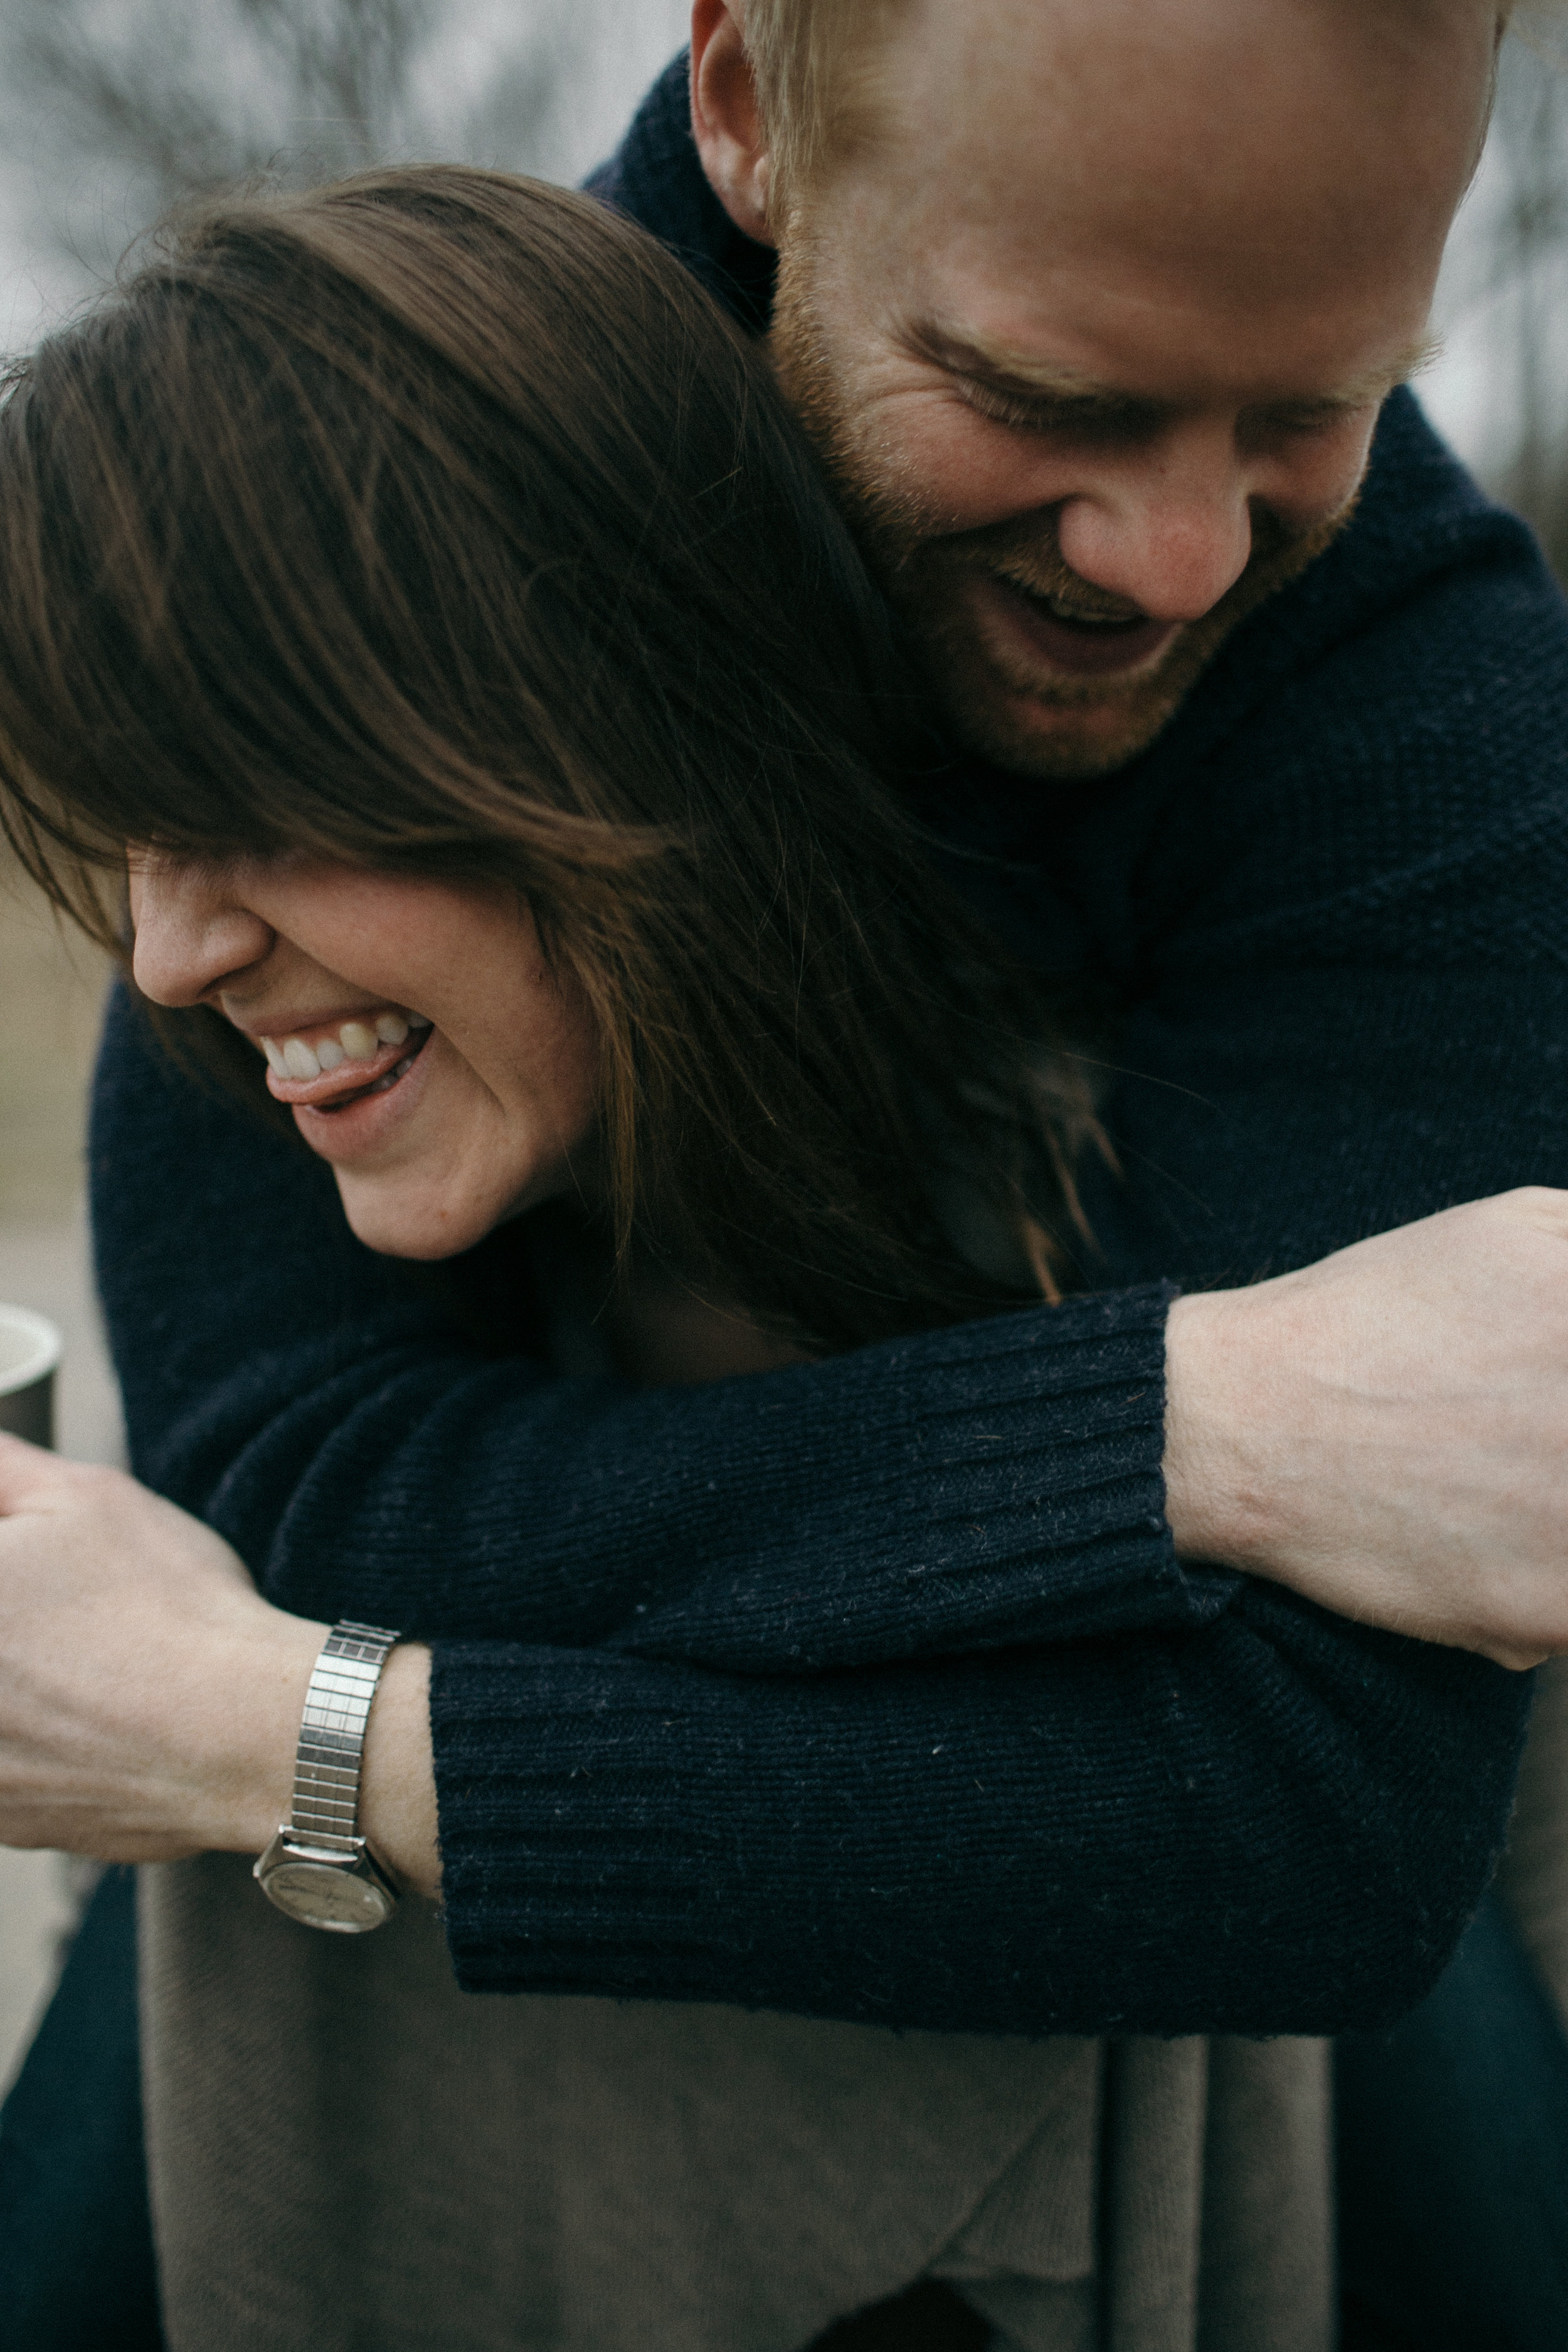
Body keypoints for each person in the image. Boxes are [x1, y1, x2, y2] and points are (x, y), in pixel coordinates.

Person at [1, 0, 1568, 2338]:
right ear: (742, 111)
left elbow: (1291, 1826)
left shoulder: (1411, 696)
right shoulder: (393, 446)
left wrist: (272, 1722)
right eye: (1041, 396)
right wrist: (1196, 1428)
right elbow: (304, 1472)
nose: (1171, 555)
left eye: (1306, 413)